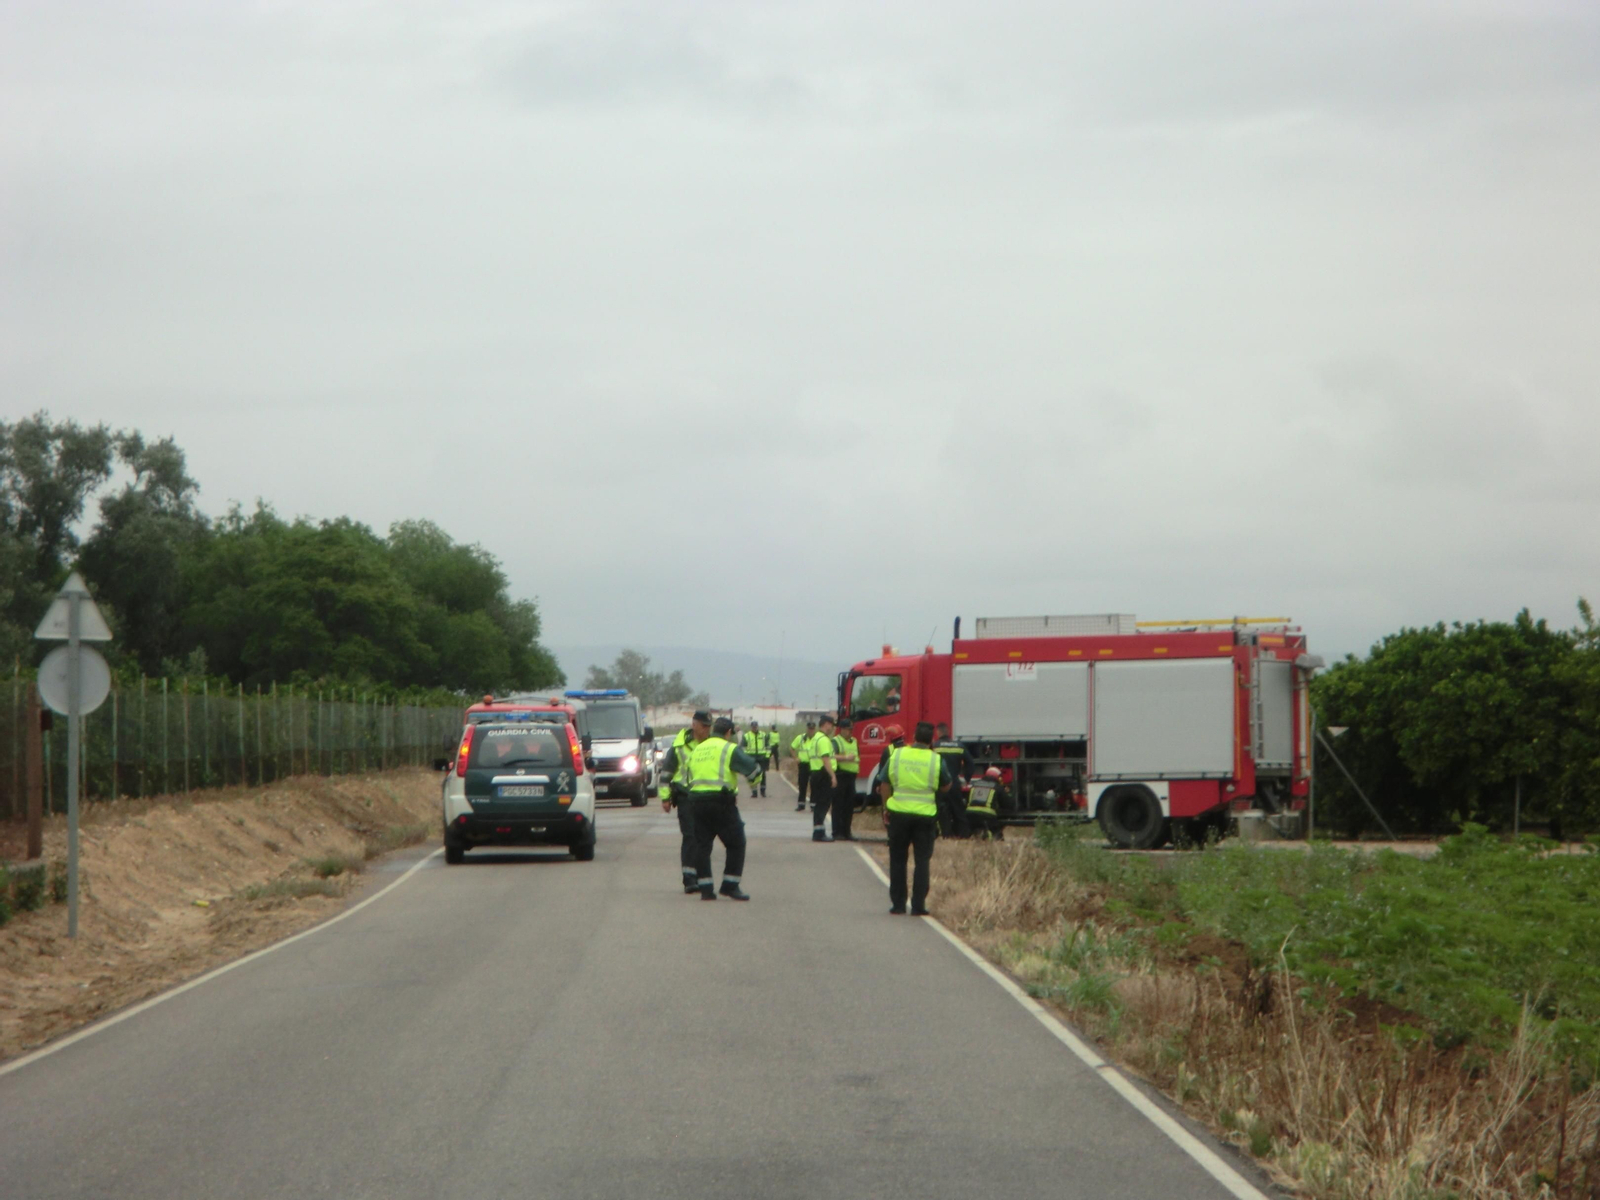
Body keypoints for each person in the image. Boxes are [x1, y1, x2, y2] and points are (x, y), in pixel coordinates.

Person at [878, 721, 954, 916]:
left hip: (899, 815)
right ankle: (918, 905)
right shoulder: (936, 760)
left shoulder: (898, 754)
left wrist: (886, 807)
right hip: (925, 816)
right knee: (922, 861)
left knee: (897, 860)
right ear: (932, 740)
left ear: (913, 736)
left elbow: (884, 781)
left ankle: (898, 904)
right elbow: (946, 786)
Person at [686, 716, 764, 900]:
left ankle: (706, 889)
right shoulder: (728, 748)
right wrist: (755, 784)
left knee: (702, 846)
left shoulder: (698, 749)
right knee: (736, 842)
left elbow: (689, 775)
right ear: (728, 733)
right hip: (721, 802)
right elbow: (753, 770)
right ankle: (730, 885)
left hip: (696, 802)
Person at [658, 712, 711, 893]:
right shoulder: (679, 746)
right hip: (685, 796)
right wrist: (665, 798)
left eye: (708, 726)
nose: (706, 730)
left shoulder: (711, 745)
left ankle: (702, 876)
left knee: (703, 838)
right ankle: (689, 879)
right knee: (690, 836)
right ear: (694, 725)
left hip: (706, 797)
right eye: (703, 726)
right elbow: (666, 774)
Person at [934, 723, 973, 838]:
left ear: (939, 732)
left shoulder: (935, 746)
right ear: (948, 732)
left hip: (940, 784)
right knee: (959, 811)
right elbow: (970, 763)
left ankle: (945, 834)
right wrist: (966, 778)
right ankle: (964, 835)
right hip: (954, 783)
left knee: (940, 810)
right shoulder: (959, 746)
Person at [807, 715, 839, 842]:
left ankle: (818, 831)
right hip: (823, 774)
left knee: (819, 804)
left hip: (815, 773)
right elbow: (826, 759)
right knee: (823, 804)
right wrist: (833, 776)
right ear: (826, 724)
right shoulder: (824, 740)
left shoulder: (815, 738)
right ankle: (819, 834)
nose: (832, 728)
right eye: (831, 725)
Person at [965, 766, 1013, 840]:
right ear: (997, 777)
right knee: (997, 836)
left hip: (970, 815)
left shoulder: (975, 784)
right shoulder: (997, 787)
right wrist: (1008, 793)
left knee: (974, 832)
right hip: (987, 816)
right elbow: (1008, 804)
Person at [831, 717, 860, 840]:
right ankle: (837, 832)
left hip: (851, 777)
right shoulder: (836, 741)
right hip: (841, 775)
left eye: (851, 729)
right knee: (838, 805)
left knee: (849, 806)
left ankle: (847, 832)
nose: (850, 732)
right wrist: (846, 758)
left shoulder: (854, 741)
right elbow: (832, 756)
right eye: (848, 729)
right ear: (841, 729)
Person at [791, 721, 815, 811]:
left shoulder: (817, 739)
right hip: (803, 764)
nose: (811, 731)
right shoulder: (800, 738)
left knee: (814, 785)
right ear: (807, 729)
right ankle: (801, 804)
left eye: (812, 729)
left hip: (814, 765)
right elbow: (792, 748)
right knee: (802, 784)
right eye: (809, 729)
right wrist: (795, 758)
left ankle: (813, 805)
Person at [741, 721, 767, 799]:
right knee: (752, 775)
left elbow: (768, 746)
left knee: (763, 775)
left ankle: (763, 791)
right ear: (751, 727)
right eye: (753, 727)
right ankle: (754, 792)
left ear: (757, 726)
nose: (754, 728)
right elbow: (743, 748)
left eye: (755, 726)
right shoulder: (746, 736)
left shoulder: (763, 735)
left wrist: (767, 756)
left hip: (761, 757)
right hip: (751, 758)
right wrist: (746, 758)